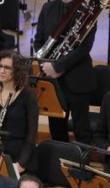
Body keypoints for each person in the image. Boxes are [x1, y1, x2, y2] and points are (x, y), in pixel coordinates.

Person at [33, 0, 95, 143]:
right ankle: (59, 163)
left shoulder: (88, 10)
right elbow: (38, 42)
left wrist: (58, 67)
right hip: (53, 81)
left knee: (82, 131)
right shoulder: (48, 7)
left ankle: (79, 164)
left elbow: (84, 47)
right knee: (56, 130)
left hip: (78, 79)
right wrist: (46, 66)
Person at [0, 50, 38, 174]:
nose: (2, 71)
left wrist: (21, 164)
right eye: (0, 66)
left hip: (18, 158)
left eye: (7, 68)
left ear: (17, 71)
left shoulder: (28, 96)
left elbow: (31, 135)